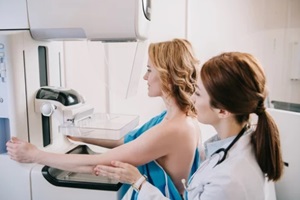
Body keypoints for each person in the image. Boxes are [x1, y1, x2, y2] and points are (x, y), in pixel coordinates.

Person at [6, 38, 201, 199]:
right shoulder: (173, 119)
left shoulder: (175, 129)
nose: (144, 77)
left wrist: (34, 155)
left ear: (167, 75)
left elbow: (98, 163)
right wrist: (79, 136)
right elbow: (126, 142)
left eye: (150, 70)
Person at [93, 52, 284, 200]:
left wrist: (138, 182)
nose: (192, 98)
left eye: (198, 94)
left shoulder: (228, 179)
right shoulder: (243, 141)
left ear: (223, 111)